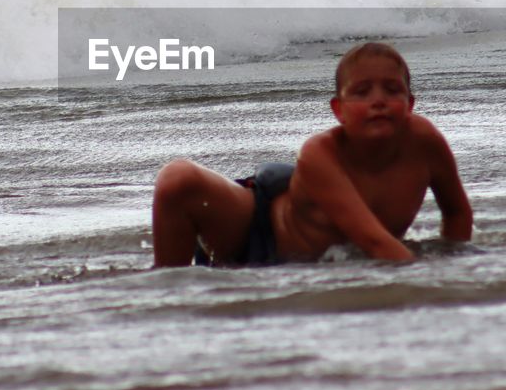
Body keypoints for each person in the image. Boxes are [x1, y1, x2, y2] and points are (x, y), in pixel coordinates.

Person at [151, 41, 473, 267]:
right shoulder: (320, 153)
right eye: (362, 92)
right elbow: (374, 242)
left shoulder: (425, 141)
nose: (378, 100)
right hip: (259, 237)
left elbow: (457, 213)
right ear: (339, 110)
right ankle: (168, 291)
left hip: (324, 263)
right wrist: (431, 286)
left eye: (392, 90)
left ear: (411, 104)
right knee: (178, 178)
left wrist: (454, 262)